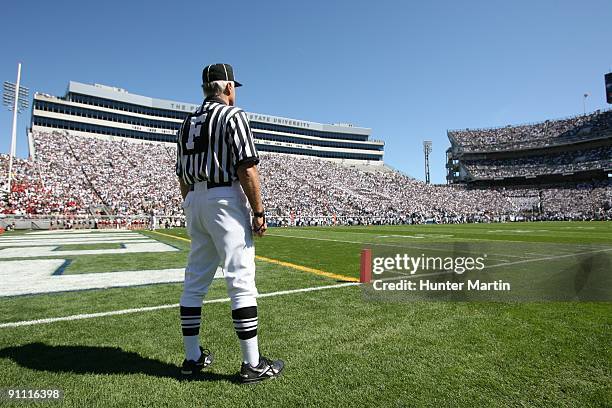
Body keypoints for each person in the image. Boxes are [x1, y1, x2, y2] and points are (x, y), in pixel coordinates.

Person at [175, 63, 284, 383]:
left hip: (194, 199)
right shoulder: (233, 116)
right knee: (240, 279)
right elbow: (247, 168)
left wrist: (192, 203)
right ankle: (252, 363)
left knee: (194, 282)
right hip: (223, 199)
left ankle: (192, 357)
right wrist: (259, 211)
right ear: (227, 88)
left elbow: (182, 175)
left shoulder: (185, 124)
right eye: (233, 87)